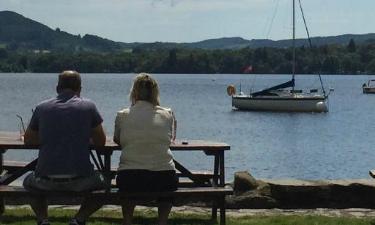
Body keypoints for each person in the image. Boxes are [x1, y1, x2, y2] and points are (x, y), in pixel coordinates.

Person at [23, 70, 107, 225]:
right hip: (81, 180)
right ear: (79, 89)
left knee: (27, 182)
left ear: (57, 88)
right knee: (105, 185)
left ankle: (43, 219)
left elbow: (28, 140)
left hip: (45, 179)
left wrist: (48, 136)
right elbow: (101, 141)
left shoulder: (41, 107)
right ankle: (79, 219)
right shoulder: (89, 107)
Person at [114, 73, 178, 225]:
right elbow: (170, 140)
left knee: (126, 181)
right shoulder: (167, 114)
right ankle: (162, 221)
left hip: (130, 176)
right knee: (168, 179)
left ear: (134, 92)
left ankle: (128, 221)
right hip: (164, 177)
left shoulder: (122, 115)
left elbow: (118, 140)